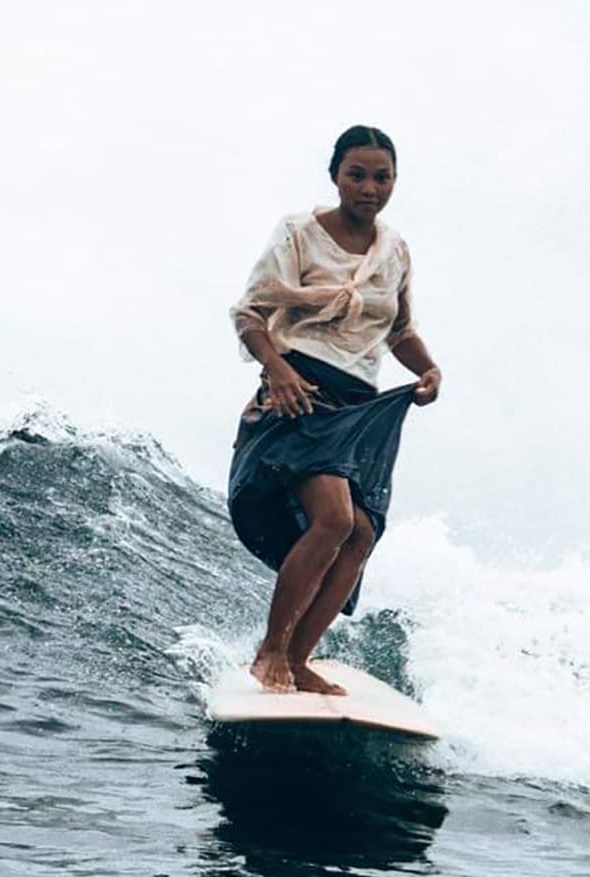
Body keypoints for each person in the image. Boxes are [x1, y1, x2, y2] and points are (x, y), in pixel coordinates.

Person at [227, 125, 443, 696]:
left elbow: (398, 331)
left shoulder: (394, 251)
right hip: (300, 390)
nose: (369, 187)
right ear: (335, 176)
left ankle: (298, 658)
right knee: (335, 518)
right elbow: (250, 313)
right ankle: (270, 650)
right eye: (358, 175)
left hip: (359, 406)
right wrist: (277, 369)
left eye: (382, 177)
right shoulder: (298, 232)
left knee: (362, 532)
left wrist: (429, 369)